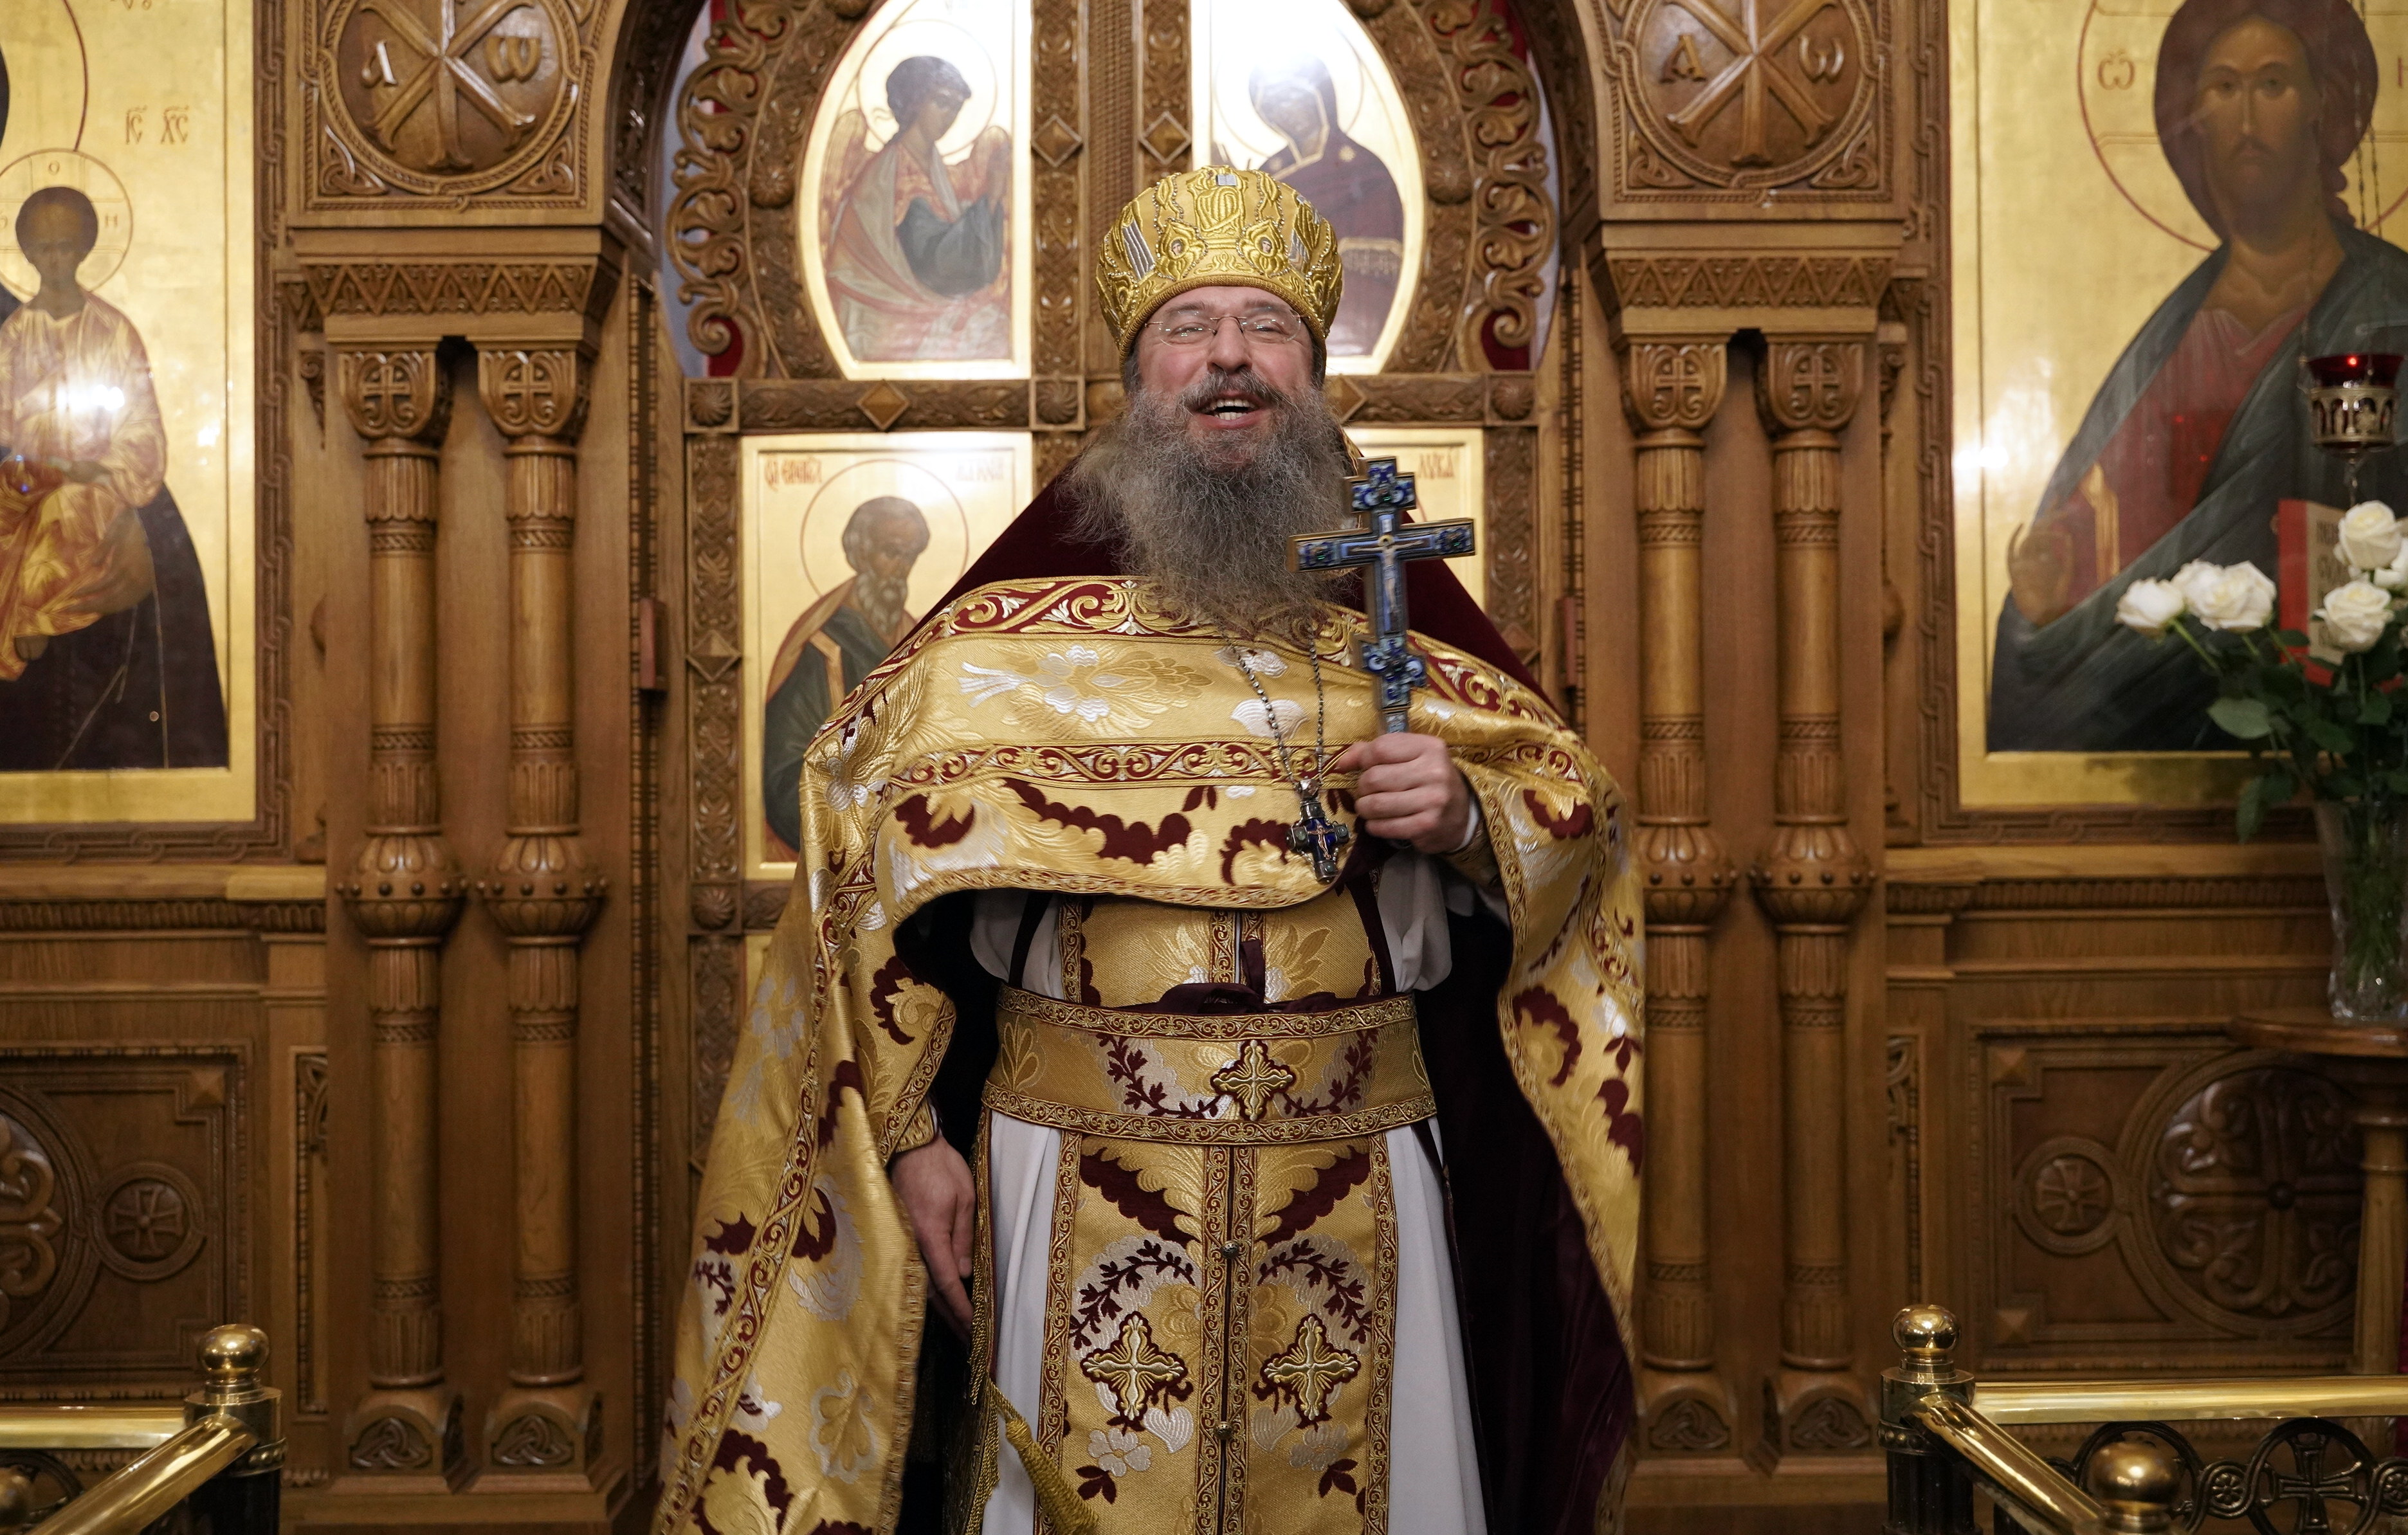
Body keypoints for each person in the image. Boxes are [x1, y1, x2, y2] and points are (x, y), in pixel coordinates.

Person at [659, 165, 1640, 1535]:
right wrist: (912, 1141)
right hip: (1072, 1168)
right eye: (1190, 327)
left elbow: (1582, 831)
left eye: (1265, 326)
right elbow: (857, 896)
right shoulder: (995, 644)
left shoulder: (1395, 620)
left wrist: (1473, 818)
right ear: (1138, 381)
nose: (1229, 356)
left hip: (1358, 1166)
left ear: (1313, 376)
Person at [1988, 0, 2408, 750]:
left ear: (2322, 105)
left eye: (2273, 83)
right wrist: (2047, 594)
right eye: (2223, 87)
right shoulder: (2174, 330)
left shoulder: (2390, 302)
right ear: (2194, 121)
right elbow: (2096, 527)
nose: (2246, 116)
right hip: (2158, 728)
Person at [0, 185, 226, 770]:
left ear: (85, 249)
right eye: (43, 248)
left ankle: (37, 619)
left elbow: (141, 426)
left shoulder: (113, 330)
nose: (55, 260)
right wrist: (29, 458)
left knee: (68, 512)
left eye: (66, 247)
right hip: (28, 473)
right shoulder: (14, 334)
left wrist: (103, 469)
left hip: (96, 477)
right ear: (27, 253)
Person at [762, 495, 931, 859]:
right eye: (891, 552)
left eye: (910, 556)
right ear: (861, 554)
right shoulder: (821, 647)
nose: (901, 568)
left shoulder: (916, 639)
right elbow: (783, 780)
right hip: (845, 842)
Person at [821, 55, 1014, 362]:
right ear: (914, 101)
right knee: (992, 328)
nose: (949, 115)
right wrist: (990, 198)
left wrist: (987, 204)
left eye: (956, 107)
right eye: (941, 102)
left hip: (923, 305)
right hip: (886, 312)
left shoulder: (933, 167)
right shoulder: (894, 172)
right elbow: (935, 264)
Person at [1246, 55, 1406, 358]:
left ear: (1320, 98)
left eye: (1293, 98)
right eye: (1274, 105)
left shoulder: (1364, 169)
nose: (1286, 112)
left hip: (1351, 310)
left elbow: (1379, 259)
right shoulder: (1266, 176)